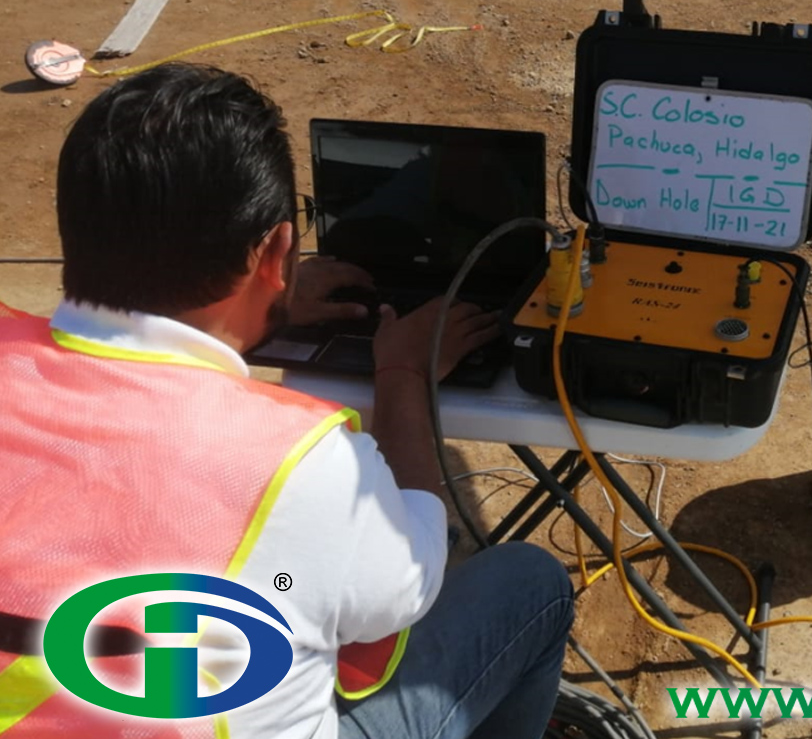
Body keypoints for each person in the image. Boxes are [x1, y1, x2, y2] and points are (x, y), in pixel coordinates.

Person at [0, 63, 573, 739]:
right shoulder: (299, 464)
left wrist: (257, 306)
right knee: (530, 583)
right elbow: (411, 587)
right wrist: (403, 377)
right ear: (277, 249)